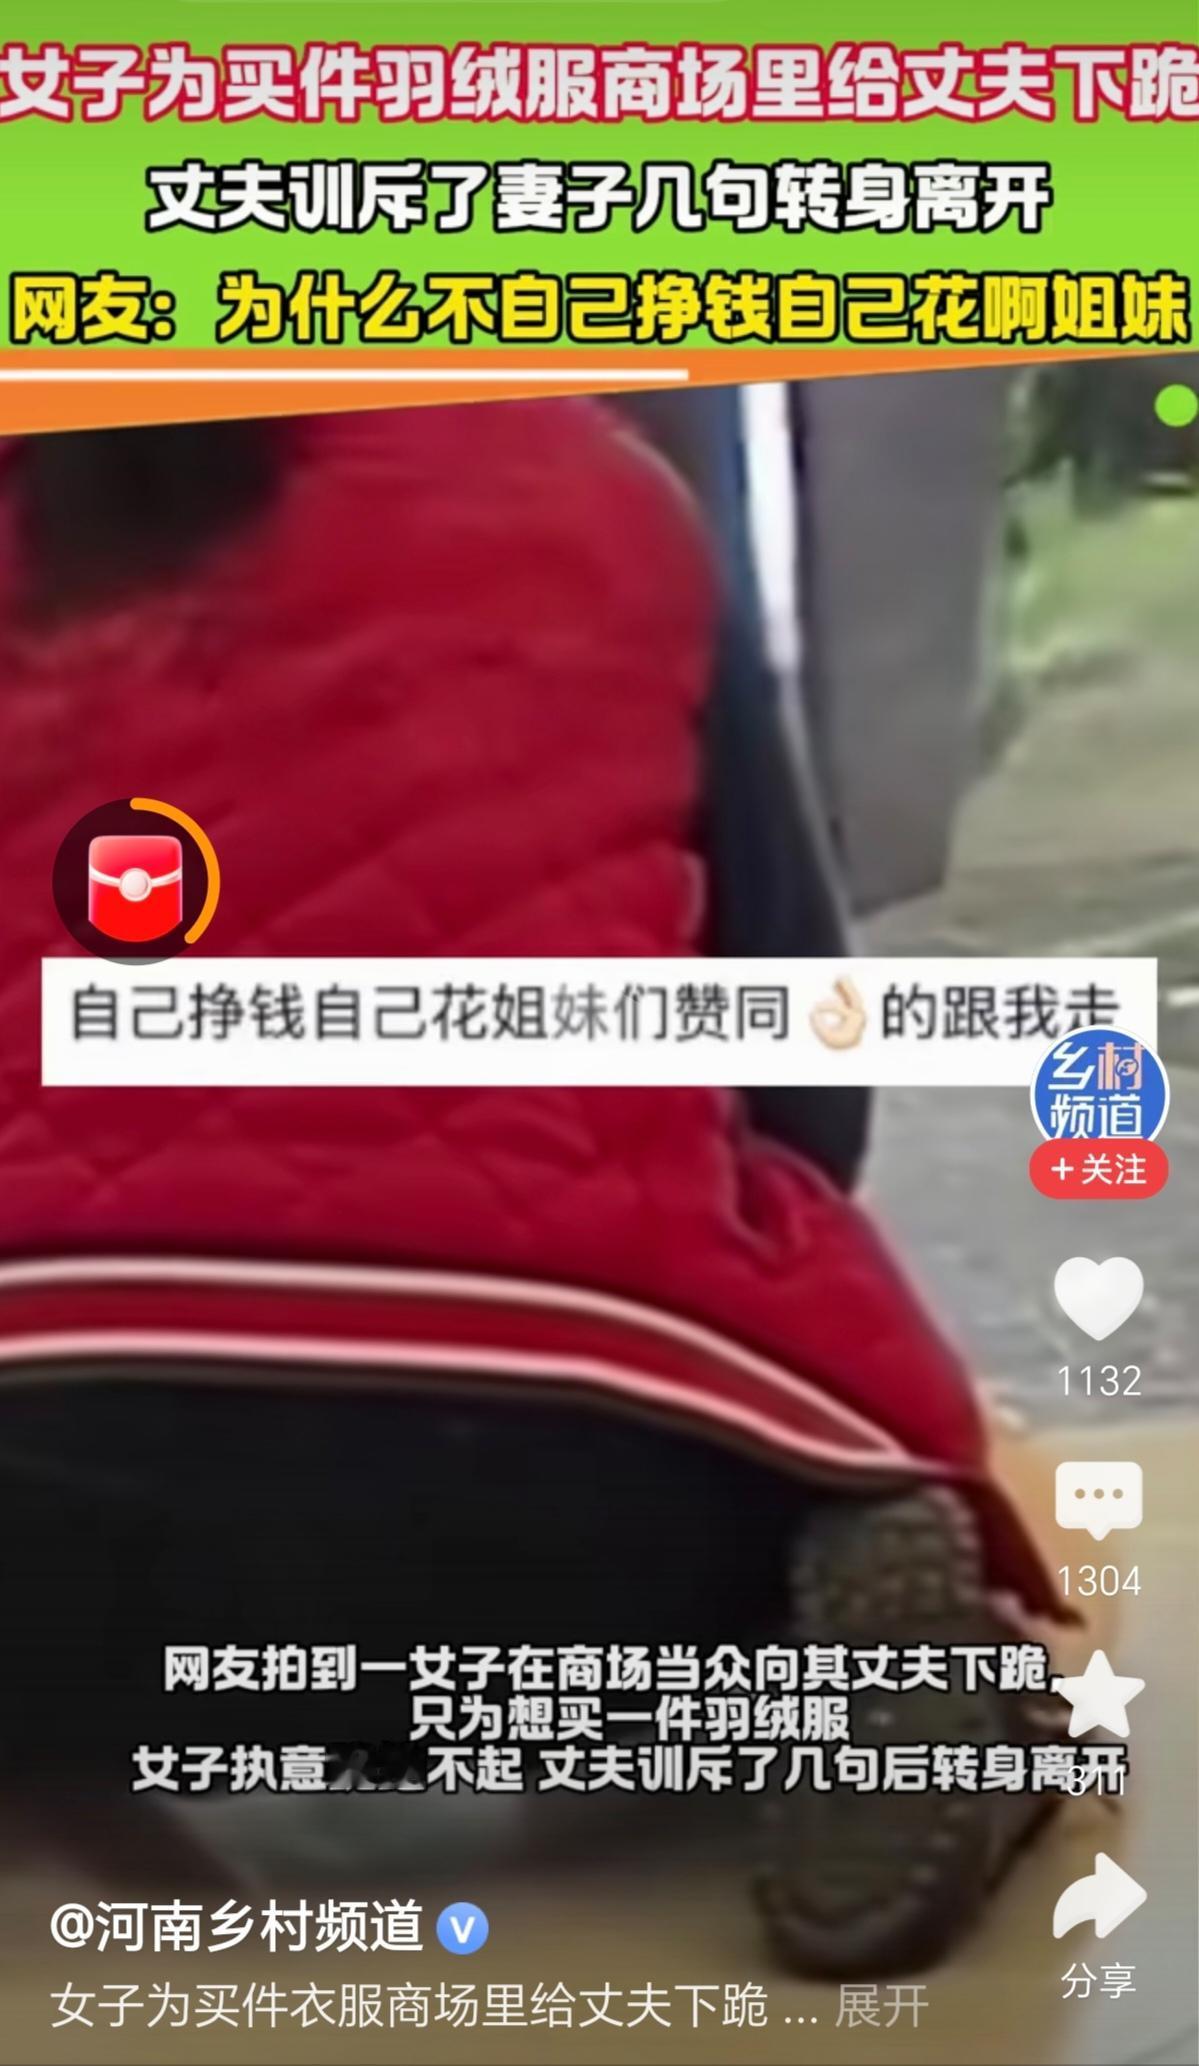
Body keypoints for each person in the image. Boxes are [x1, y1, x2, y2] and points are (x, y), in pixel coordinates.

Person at [0, 403, 1064, 1975]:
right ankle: (822, 1665)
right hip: (577, 1478)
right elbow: (799, 1079)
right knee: (704, 1527)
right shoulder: (601, 495)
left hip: (41, 1496)